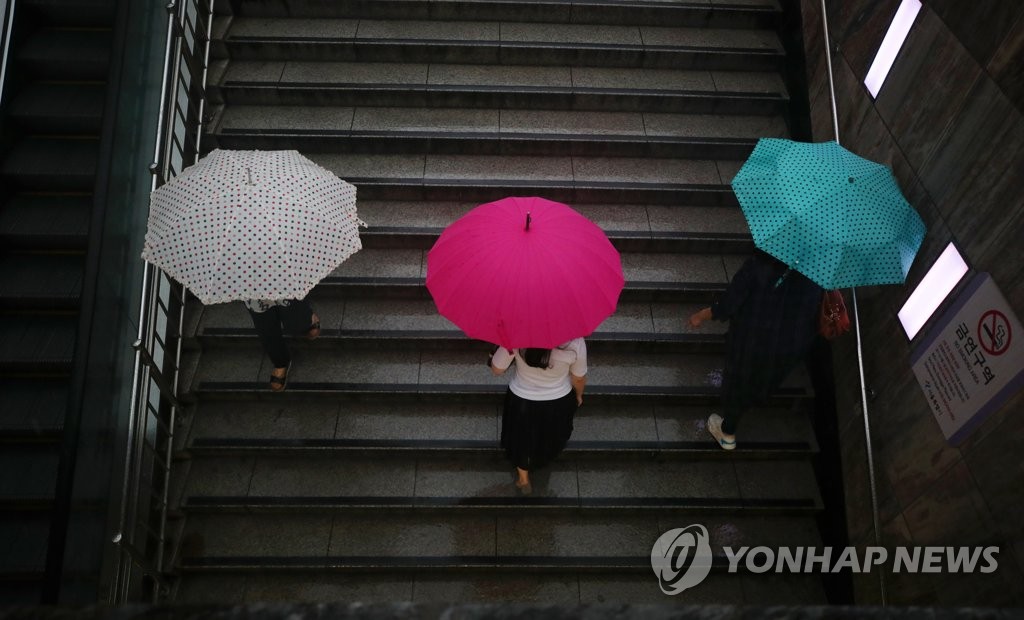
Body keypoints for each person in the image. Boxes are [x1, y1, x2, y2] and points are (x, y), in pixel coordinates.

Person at [688, 250, 821, 450]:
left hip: (753, 339)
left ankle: (727, 432)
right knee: (762, 378)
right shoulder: (816, 275)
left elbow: (730, 302)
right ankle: (753, 400)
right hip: (790, 344)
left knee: (740, 379)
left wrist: (703, 315)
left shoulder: (759, 266)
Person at [490, 339, 587, 495]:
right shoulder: (575, 342)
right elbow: (578, 378)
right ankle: (542, 458)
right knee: (549, 436)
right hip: (557, 402)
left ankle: (523, 479)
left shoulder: (516, 334)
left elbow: (497, 369)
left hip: (521, 401)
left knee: (521, 439)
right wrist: (579, 395)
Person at [244, 298, 320, 391]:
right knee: (264, 321)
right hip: (253, 288)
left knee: (295, 312)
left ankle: (308, 318)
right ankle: (281, 362)